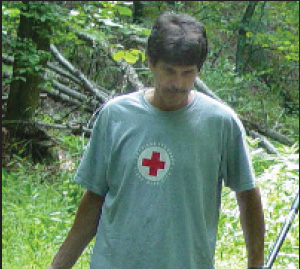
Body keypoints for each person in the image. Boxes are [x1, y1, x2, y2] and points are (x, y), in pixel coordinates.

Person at [48, 12, 265, 269]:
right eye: (169, 71)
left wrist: (256, 264)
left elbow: (247, 195)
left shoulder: (220, 123)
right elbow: (94, 198)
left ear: (199, 70)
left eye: (188, 73)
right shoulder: (115, 116)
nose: (178, 83)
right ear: (150, 63)